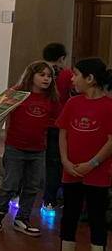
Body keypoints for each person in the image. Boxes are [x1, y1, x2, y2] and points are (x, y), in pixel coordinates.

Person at [0, 61, 61, 237]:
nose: (46, 79)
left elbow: (57, 121)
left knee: (33, 185)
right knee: (10, 184)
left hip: (38, 149)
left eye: (49, 76)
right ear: (31, 75)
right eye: (42, 75)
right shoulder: (17, 93)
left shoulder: (51, 98)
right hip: (16, 147)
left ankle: (22, 218)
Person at [57, 58, 112, 251]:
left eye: (76, 75)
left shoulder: (109, 106)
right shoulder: (72, 103)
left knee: (97, 216)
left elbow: (111, 141)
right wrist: (65, 161)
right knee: (69, 215)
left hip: (98, 173)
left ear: (90, 78)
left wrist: (92, 163)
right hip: (71, 170)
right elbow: (63, 133)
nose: (72, 79)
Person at [41, 42, 74, 212]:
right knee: (54, 163)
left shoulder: (37, 71)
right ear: (62, 58)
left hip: (39, 121)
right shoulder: (67, 74)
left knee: (32, 161)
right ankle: (49, 200)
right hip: (58, 123)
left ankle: (18, 195)